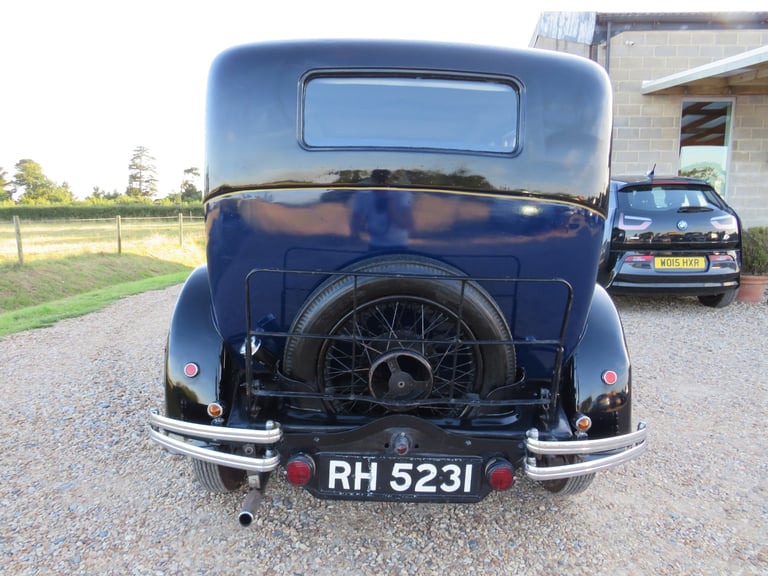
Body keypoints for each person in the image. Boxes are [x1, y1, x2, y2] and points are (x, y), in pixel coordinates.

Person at [350, 169, 414, 250]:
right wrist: (356, 233)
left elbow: (409, 224)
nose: (380, 187)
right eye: (377, 183)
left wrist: (392, 208)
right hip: (374, 244)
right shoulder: (363, 196)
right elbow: (356, 218)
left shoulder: (402, 196)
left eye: (384, 183)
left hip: (398, 245)